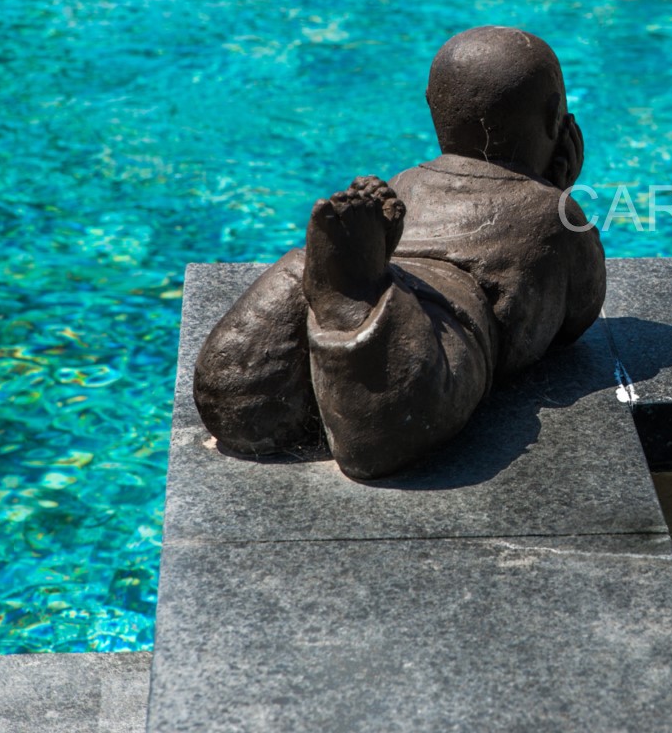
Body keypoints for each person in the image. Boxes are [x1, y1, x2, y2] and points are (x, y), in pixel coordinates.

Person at [192, 26, 605, 479]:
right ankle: (358, 310)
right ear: (555, 120)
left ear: (432, 107)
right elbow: (578, 315)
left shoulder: (405, 182)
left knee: (244, 413)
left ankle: (322, 283)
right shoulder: (555, 213)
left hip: (397, 273)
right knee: (395, 423)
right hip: (450, 329)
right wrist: (559, 186)